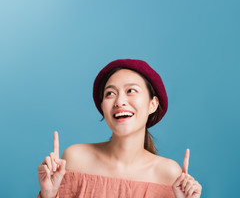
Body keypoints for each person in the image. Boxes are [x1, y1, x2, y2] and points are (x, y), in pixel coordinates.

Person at [37, 59, 202, 198]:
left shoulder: (169, 174)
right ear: (102, 106)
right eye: (110, 93)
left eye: (131, 91)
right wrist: (48, 194)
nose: (119, 101)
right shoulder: (75, 158)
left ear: (152, 104)